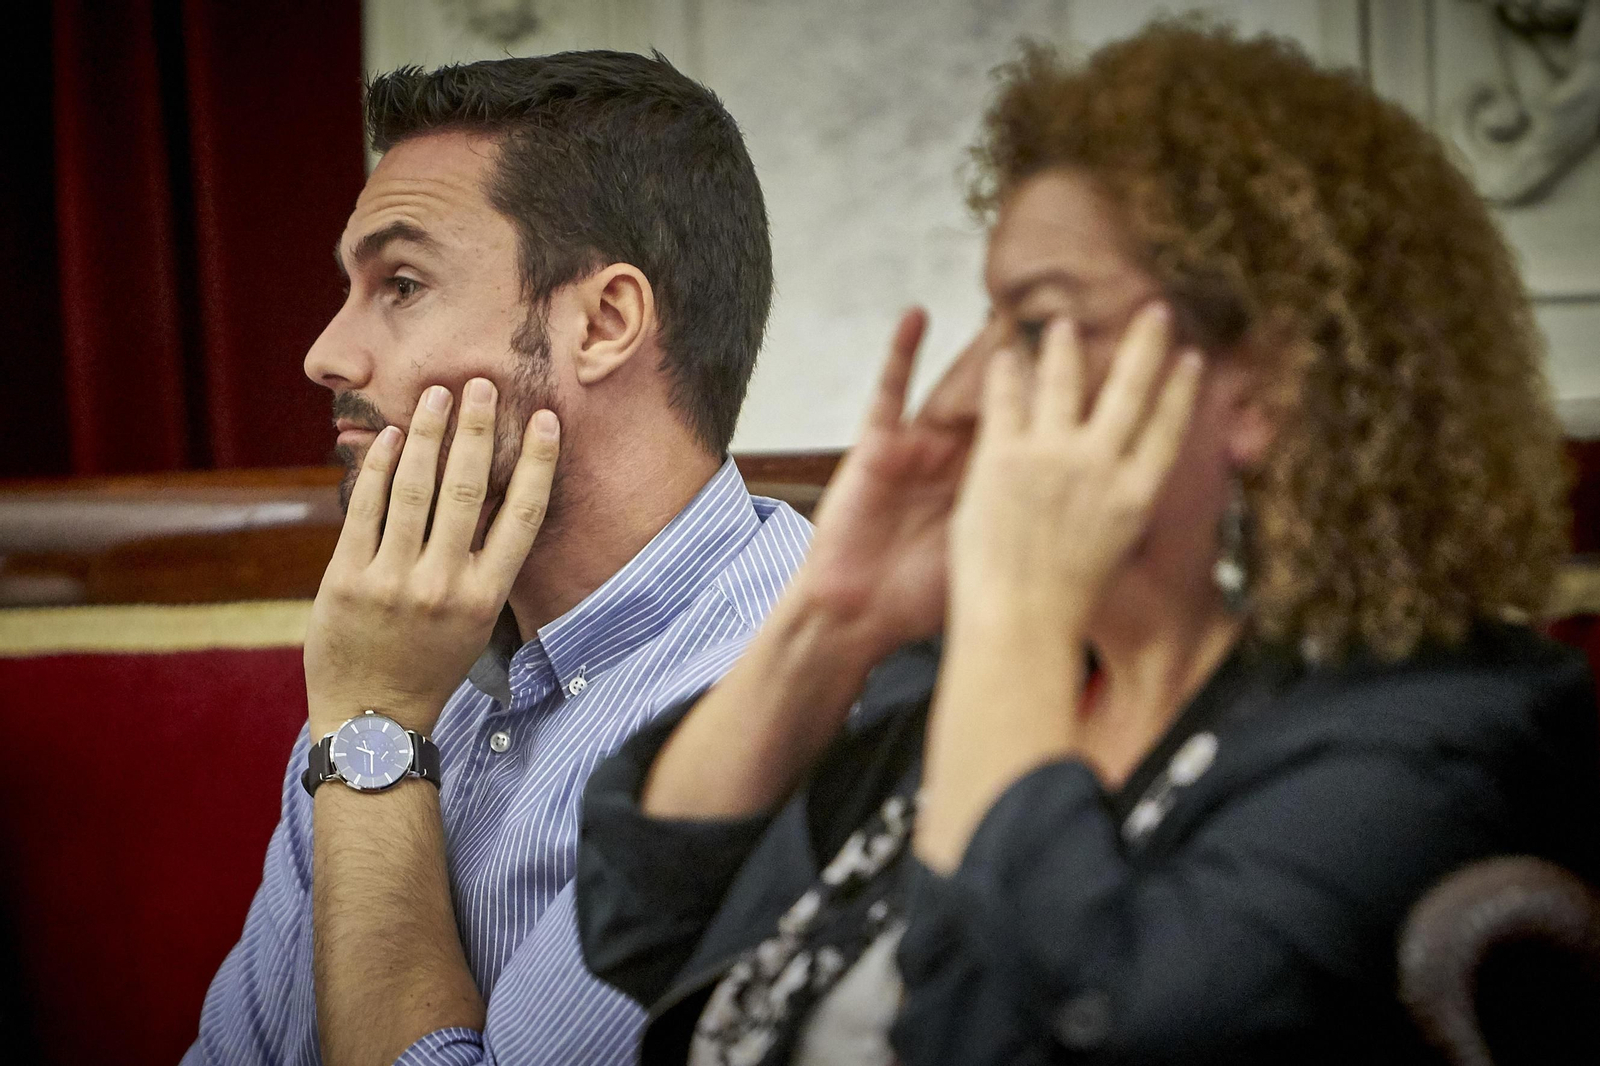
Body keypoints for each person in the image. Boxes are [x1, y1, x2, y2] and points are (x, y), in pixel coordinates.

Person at [574, 22, 1600, 1066]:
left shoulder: (1436, 735)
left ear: (1264, 381)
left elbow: (1046, 1030)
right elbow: (640, 916)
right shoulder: (981, 677)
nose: (970, 388)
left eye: (1036, 326)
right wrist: (834, 616)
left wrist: (1017, 611)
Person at [186, 51, 811, 1066]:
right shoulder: (409, 649)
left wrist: (374, 733)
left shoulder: (788, 693)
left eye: (401, 283)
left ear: (602, 323)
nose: (326, 354)